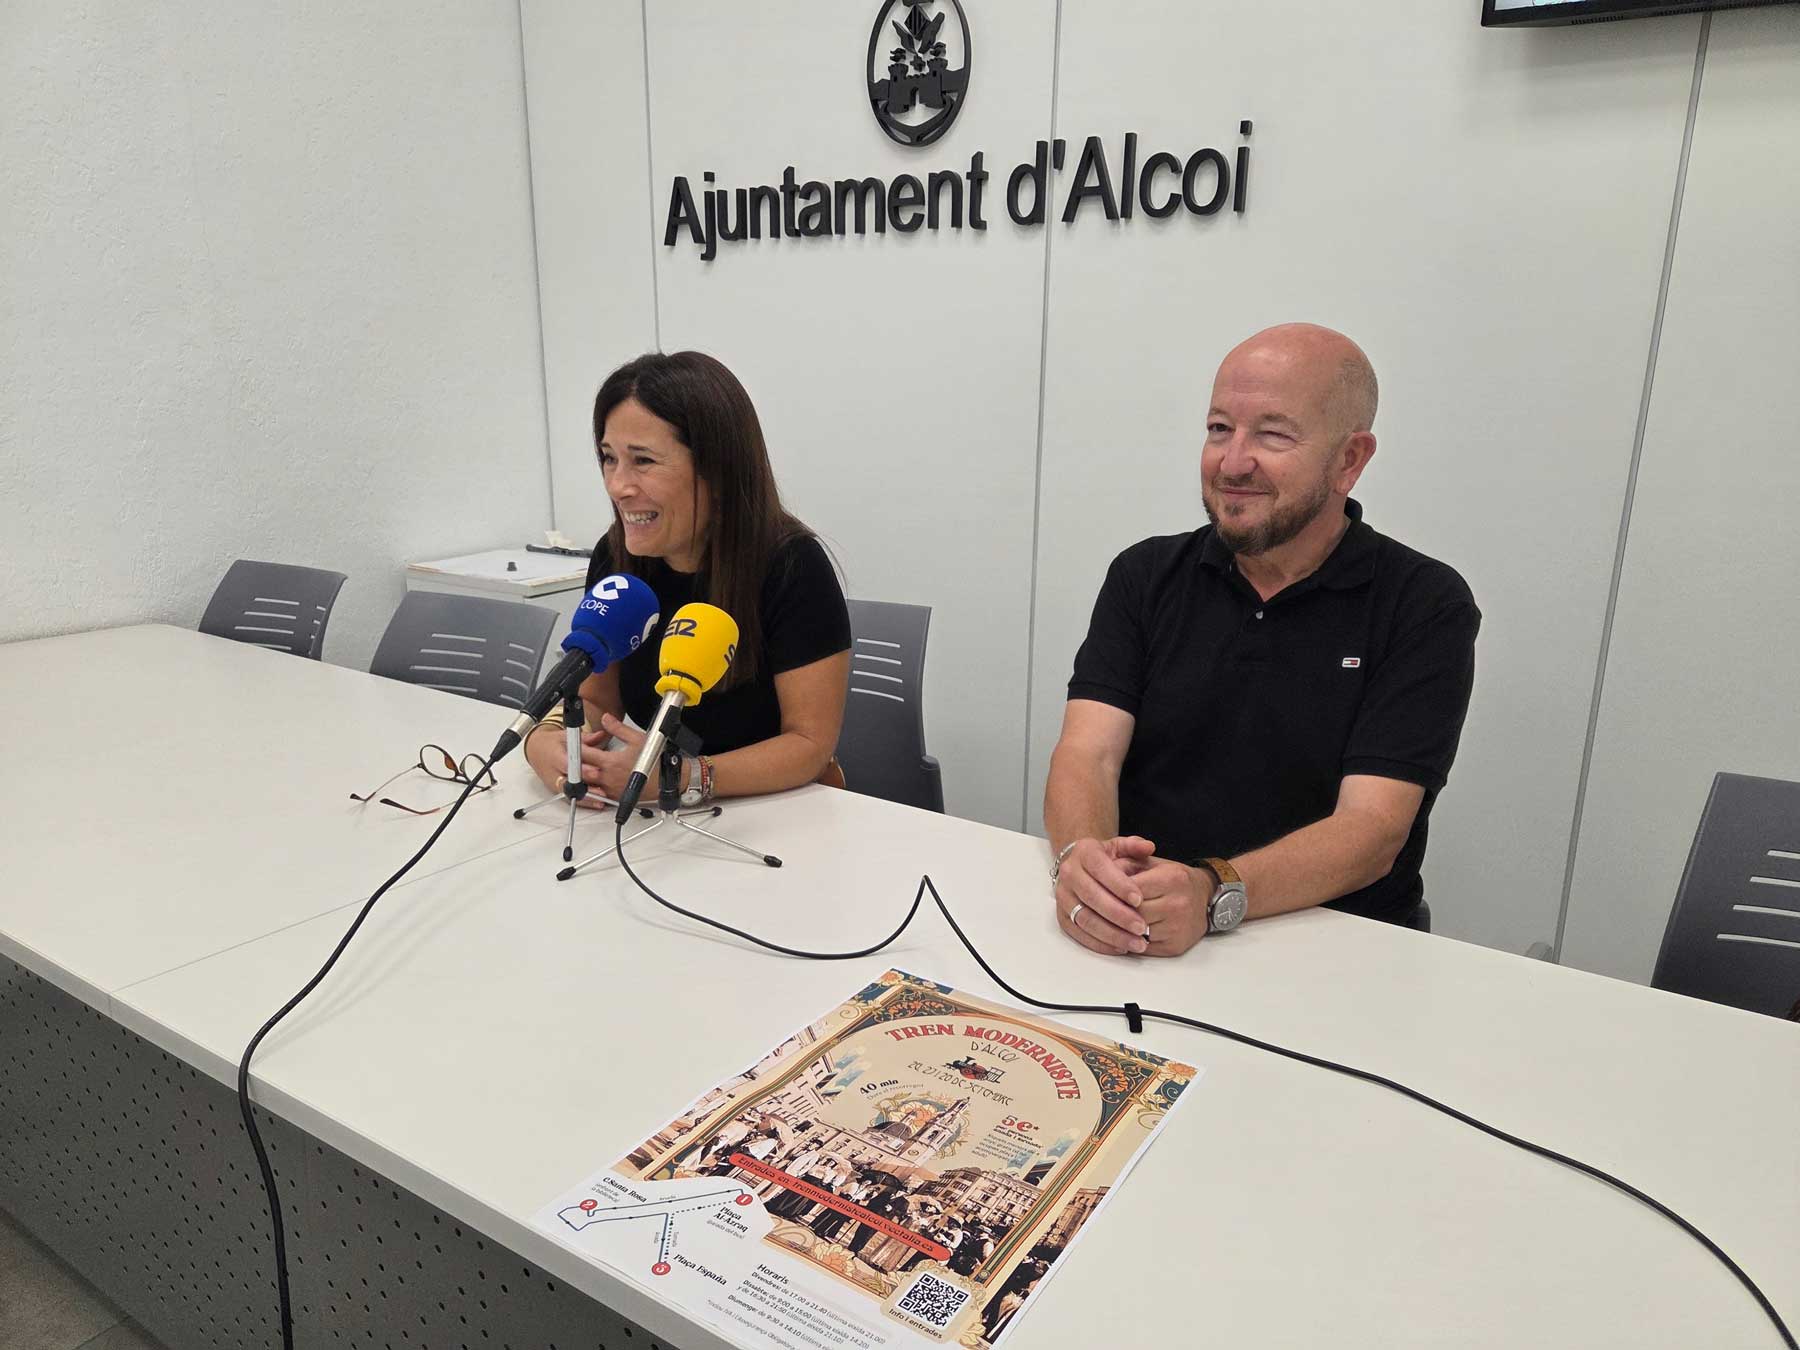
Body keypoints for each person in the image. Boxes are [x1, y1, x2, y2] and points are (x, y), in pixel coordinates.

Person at [1045, 323, 1479, 954]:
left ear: (1349, 461)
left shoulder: (1423, 604)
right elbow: (1088, 753)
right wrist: (1083, 860)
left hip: (1332, 946)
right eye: (1219, 428)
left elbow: (1372, 828)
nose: (1233, 461)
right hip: (1144, 928)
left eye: (1272, 434)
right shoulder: (1145, 575)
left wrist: (1214, 892)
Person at [524, 351, 852, 805]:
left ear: (717, 469)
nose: (618, 485)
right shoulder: (616, 556)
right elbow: (596, 702)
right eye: (608, 458)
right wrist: (547, 739)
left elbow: (809, 745)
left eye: (643, 461)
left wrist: (686, 777)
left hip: (778, 810)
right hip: (659, 812)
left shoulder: (792, 566)